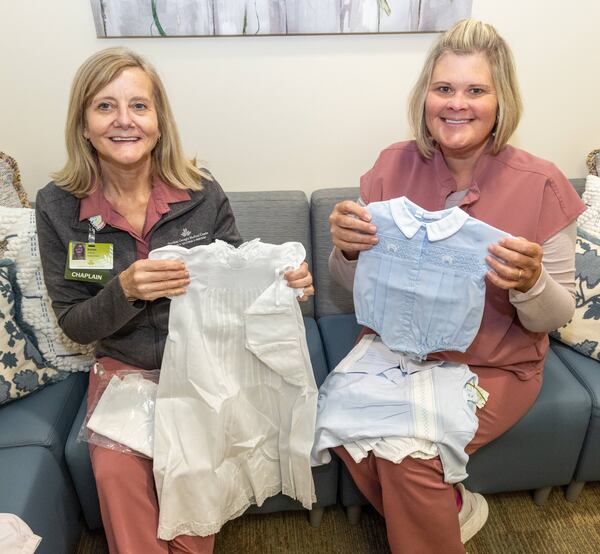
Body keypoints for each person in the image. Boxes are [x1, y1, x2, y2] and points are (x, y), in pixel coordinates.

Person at [35, 47, 314, 554]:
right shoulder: (59, 206)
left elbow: (238, 279)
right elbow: (76, 324)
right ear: (83, 123)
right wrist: (126, 291)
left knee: (193, 502)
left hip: (207, 368)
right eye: (105, 106)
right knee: (118, 475)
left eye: (139, 106)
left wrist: (285, 284)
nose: (124, 121)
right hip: (127, 370)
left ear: (159, 121)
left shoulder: (199, 192)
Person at [327, 18, 585, 554]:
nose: (456, 104)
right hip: (395, 348)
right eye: (443, 89)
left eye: (475, 90)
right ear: (426, 97)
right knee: (343, 423)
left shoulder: (542, 184)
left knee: (411, 454)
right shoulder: (389, 167)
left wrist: (531, 283)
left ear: (501, 100)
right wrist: (347, 250)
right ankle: (452, 510)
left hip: (492, 364)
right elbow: (354, 289)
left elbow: (552, 316)